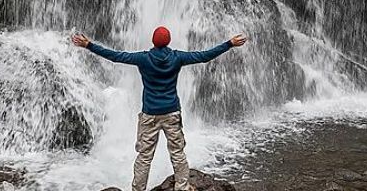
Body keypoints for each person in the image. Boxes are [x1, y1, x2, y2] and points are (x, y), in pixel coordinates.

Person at [72, 27, 247, 191]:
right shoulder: (177, 57)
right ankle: (182, 187)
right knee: (177, 152)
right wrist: (229, 44)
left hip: (149, 115)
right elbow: (204, 56)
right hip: (171, 113)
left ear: (153, 41)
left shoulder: (143, 58)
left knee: (144, 156)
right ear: (169, 41)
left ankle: (139, 189)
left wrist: (89, 45)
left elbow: (116, 56)